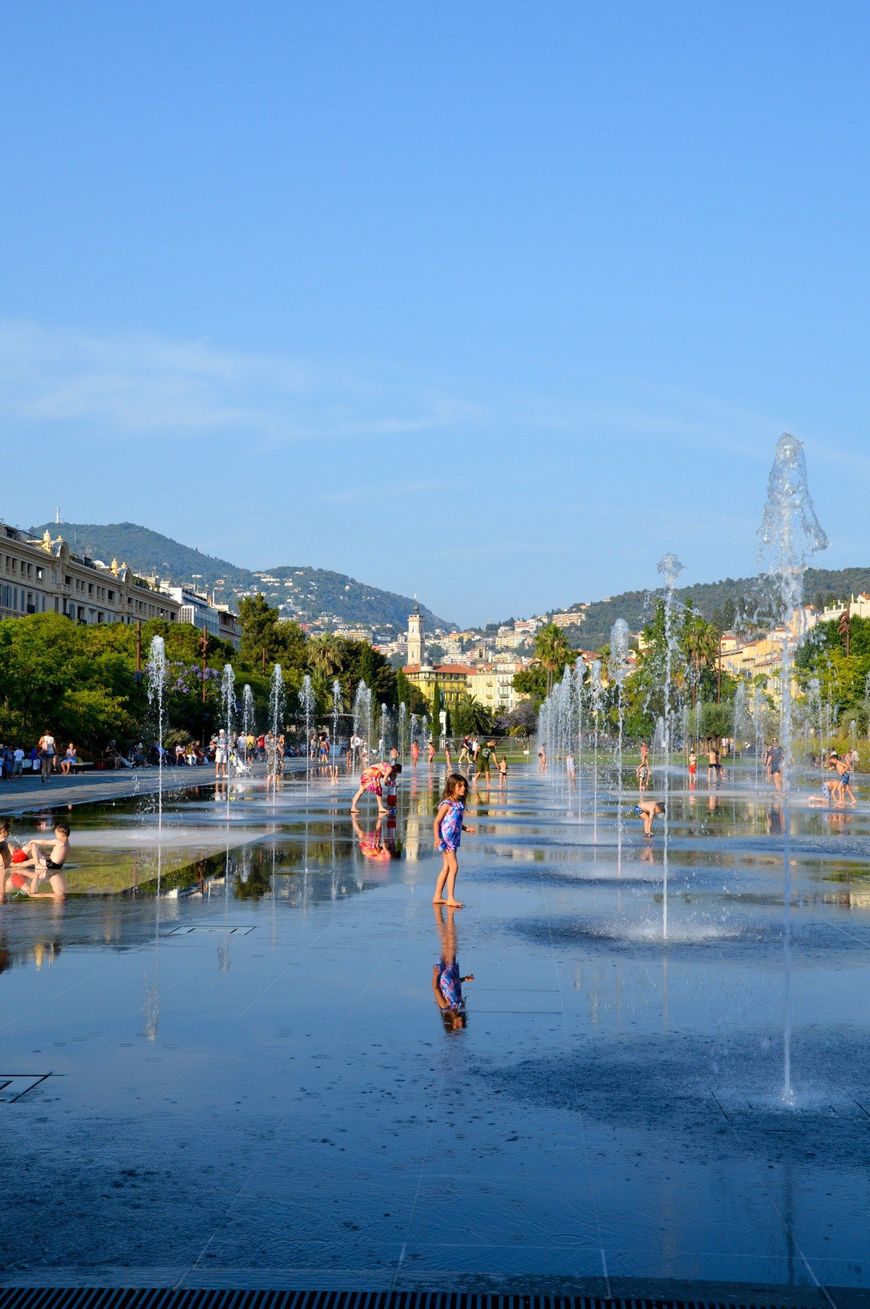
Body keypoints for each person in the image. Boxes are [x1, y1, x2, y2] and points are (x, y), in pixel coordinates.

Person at [432, 773, 476, 908]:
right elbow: (437, 822)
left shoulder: (459, 804)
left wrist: (465, 828)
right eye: (460, 786)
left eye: (464, 786)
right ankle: (450, 898)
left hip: (453, 838)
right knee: (454, 866)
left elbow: (454, 822)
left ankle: (437, 896)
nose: (463, 788)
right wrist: (437, 838)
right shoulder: (447, 804)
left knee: (446, 868)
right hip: (446, 840)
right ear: (452, 787)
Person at [432, 904, 474, 1032]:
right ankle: (446, 916)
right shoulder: (459, 1006)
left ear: (452, 1025)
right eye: (462, 1025)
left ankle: (447, 915)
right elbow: (454, 987)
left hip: (443, 974)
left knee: (450, 943)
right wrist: (464, 979)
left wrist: (435, 975)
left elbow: (435, 988)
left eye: (458, 1026)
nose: (461, 1024)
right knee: (449, 943)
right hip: (453, 974)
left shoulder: (445, 1007)